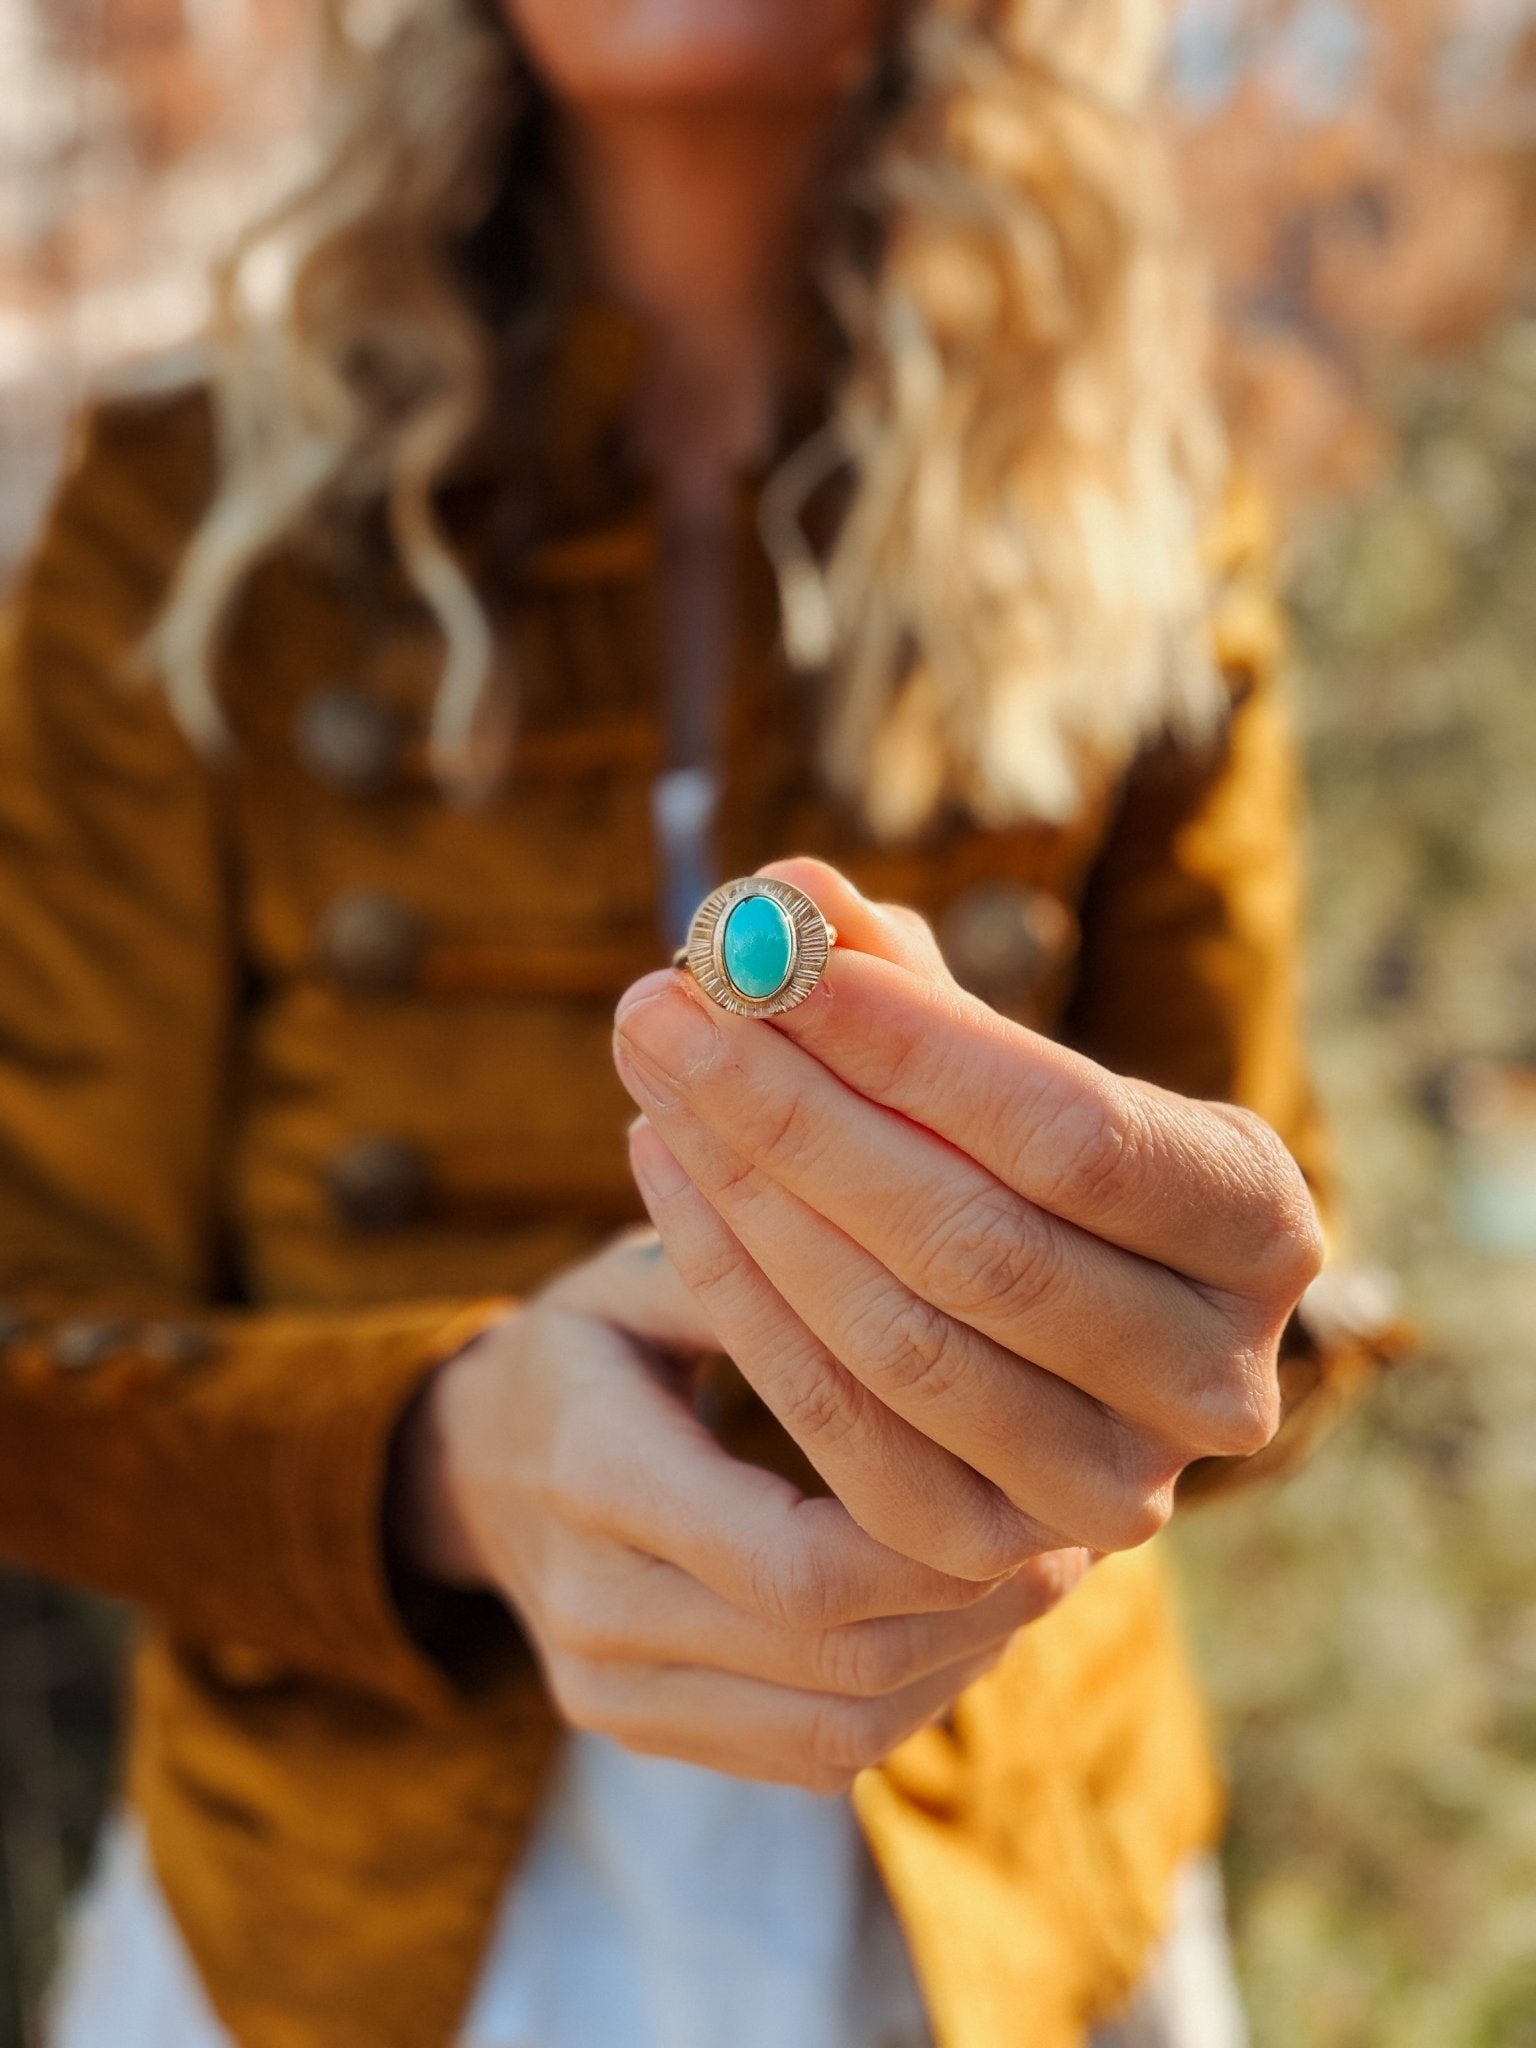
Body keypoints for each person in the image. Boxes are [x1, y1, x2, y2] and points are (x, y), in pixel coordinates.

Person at [0, 1, 1386, 2044]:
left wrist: (1173, 1329)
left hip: (1005, 1902)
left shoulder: (1140, 502)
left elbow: (1276, 1271)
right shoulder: (187, 513)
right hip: (328, 1920)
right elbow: (30, 1346)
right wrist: (437, 1462)